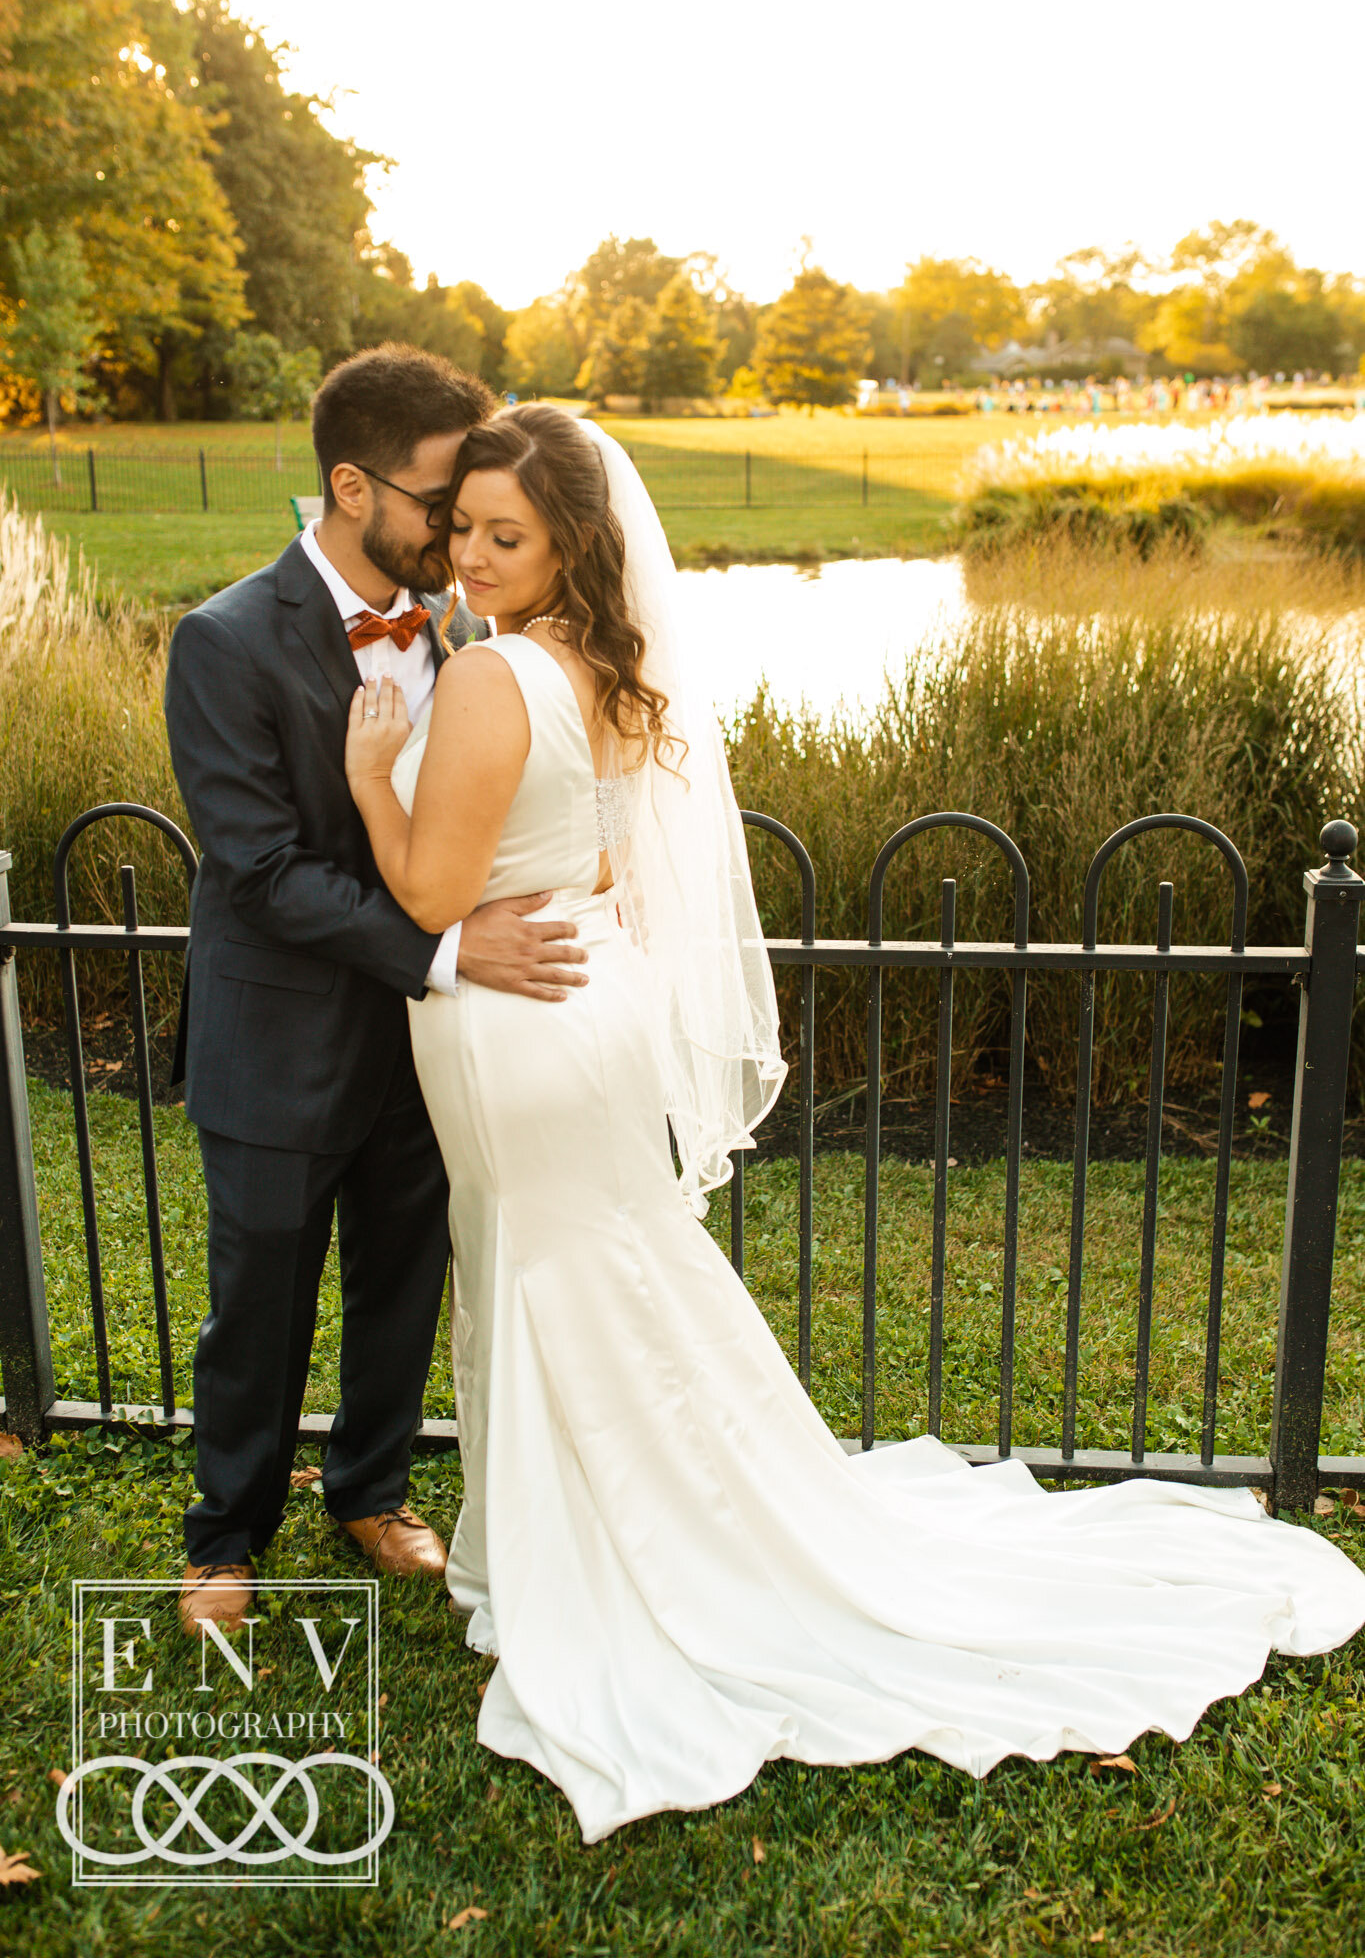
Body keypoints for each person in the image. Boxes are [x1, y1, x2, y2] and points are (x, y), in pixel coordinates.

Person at [344, 403, 1365, 1847]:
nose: (473, 554)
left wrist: (360, 774)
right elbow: (596, 860)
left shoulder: (494, 677)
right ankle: (574, 1545)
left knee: (553, 1275)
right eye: (462, 530)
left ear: (572, 539)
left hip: (519, 1026)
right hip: (580, 1005)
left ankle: (604, 1567)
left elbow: (431, 898)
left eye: (506, 535)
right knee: (585, 1269)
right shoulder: (592, 664)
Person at [163, 347, 590, 1641]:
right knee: (263, 1306)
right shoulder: (222, 640)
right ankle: (224, 1539)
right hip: (279, 1043)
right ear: (349, 487)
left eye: (471, 513)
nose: (455, 534)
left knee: (403, 1279)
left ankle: (371, 1489)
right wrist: (457, 953)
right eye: (435, 504)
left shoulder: (467, 641)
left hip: (424, 1050)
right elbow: (263, 873)